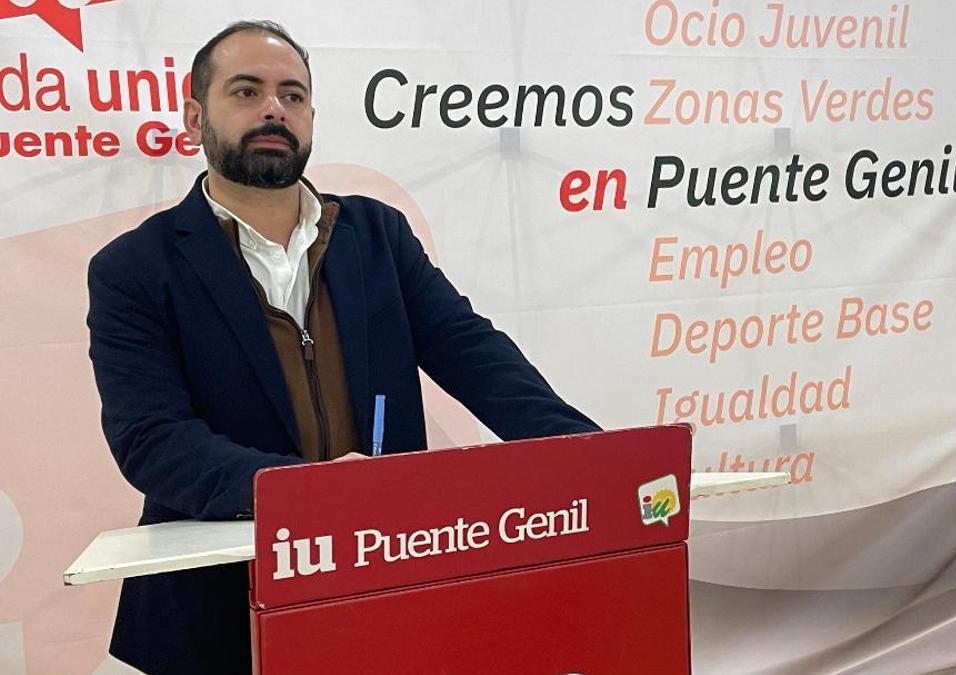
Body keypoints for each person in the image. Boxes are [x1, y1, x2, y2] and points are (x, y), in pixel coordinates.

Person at [86, 20, 599, 675]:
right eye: (247, 91)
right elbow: (152, 438)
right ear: (194, 116)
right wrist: (310, 495)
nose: (275, 108)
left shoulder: (376, 234)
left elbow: (476, 356)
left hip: (380, 580)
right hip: (215, 613)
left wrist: (590, 457)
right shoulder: (134, 267)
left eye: (293, 96)